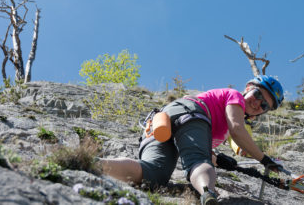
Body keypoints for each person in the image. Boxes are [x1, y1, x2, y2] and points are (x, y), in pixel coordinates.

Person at [100, 75, 284, 205]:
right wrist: (264, 159)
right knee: (198, 161)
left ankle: (96, 165)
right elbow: (237, 129)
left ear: (263, 112)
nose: (257, 103)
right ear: (247, 88)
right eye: (257, 94)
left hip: (162, 121)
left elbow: (194, 143)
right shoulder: (235, 97)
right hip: (191, 112)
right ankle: (208, 195)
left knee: (155, 173)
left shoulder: (221, 126)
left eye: (264, 105)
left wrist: (218, 159)